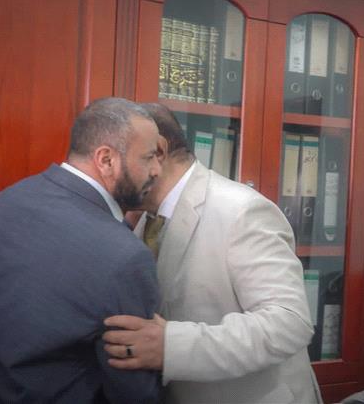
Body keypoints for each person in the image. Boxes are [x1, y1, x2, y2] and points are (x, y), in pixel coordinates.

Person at [103, 103, 322, 403]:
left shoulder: (242, 211)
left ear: (158, 151)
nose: (108, 172)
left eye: (114, 159)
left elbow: (289, 324)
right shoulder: (143, 219)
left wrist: (171, 347)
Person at [0, 98, 163, 403]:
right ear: (106, 160)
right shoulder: (126, 256)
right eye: (149, 157)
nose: (157, 170)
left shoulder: (8, 200)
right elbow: (133, 390)